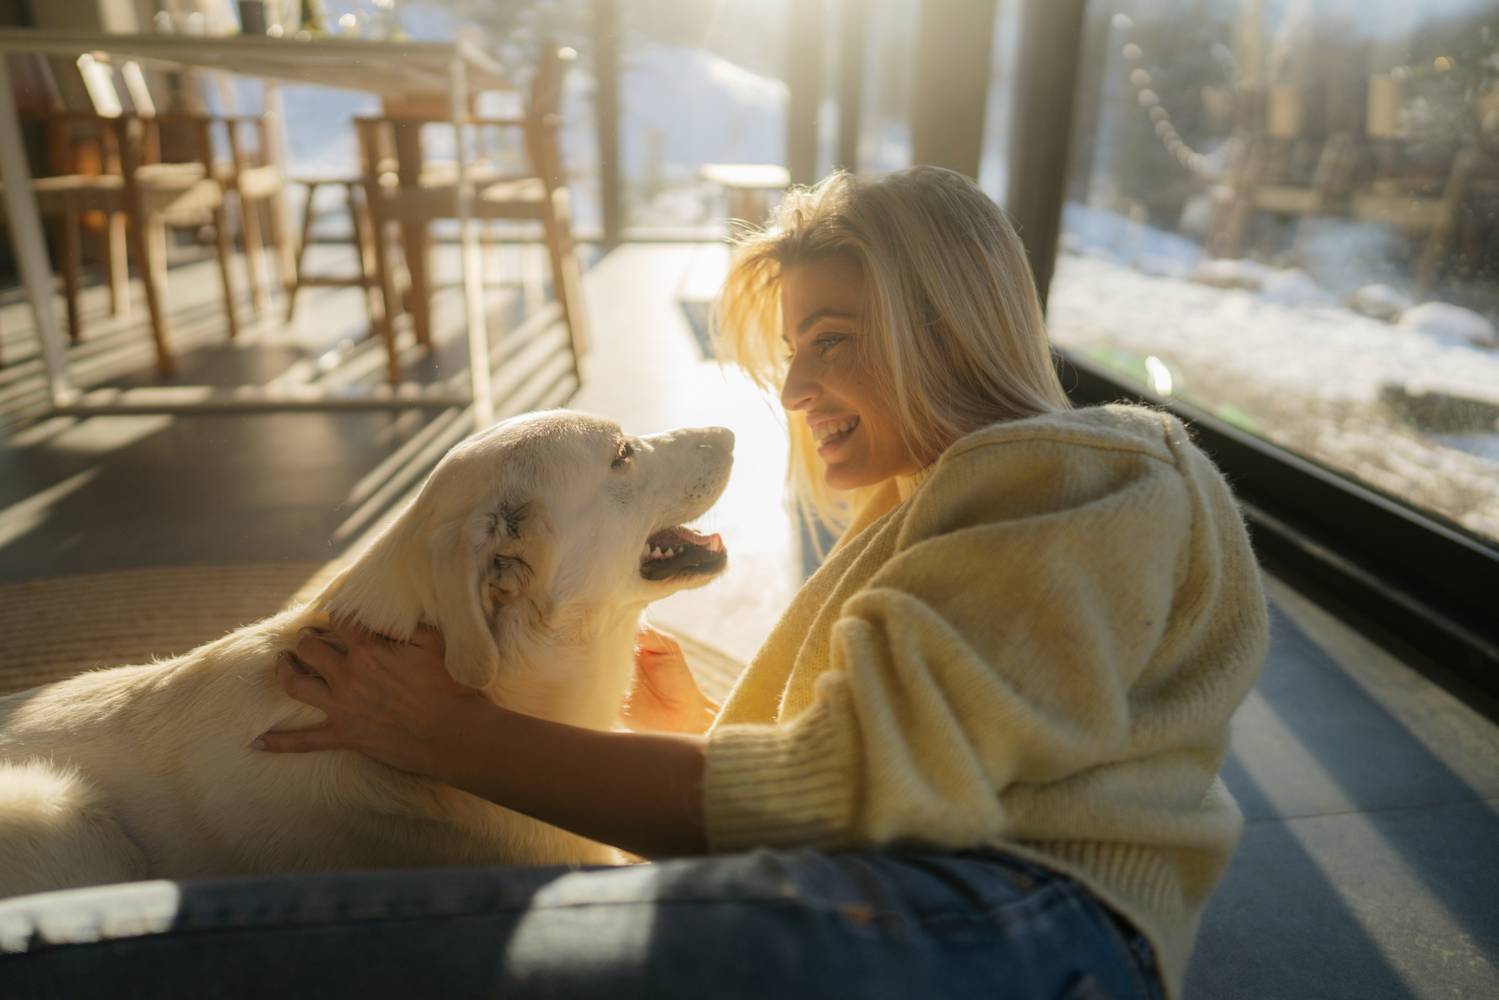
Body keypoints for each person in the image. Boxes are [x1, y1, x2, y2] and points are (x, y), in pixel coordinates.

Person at [13, 167, 1268, 1000]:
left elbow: (840, 795)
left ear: (950, 328)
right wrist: (693, 737)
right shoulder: (953, 514)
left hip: (1021, 931)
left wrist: (463, 736)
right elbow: (910, 758)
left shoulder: (1088, 471)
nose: (792, 390)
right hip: (946, 910)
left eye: (832, 340)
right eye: (792, 352)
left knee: (362, 953)